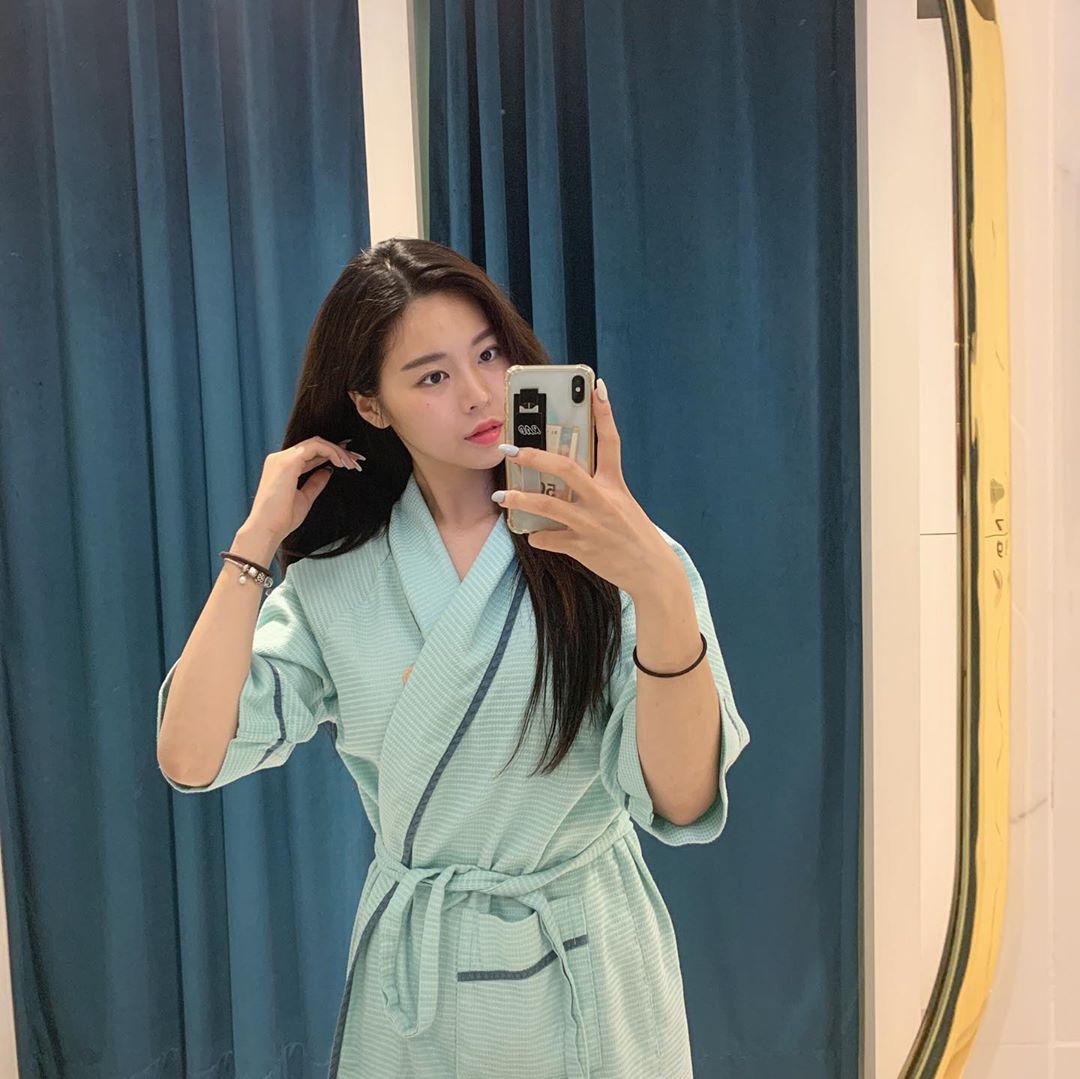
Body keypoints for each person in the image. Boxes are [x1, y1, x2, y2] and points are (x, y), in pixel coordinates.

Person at [155, 237, 750, 1078]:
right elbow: (189, 755)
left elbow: (683, 800)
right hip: (423, 981)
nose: (478, 393)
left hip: (588, 959)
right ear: (370, 405)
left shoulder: (621, 559)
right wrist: (257, 542)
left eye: (490, 354)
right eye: (432, 376)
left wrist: (656, 581)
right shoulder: (336, 581)